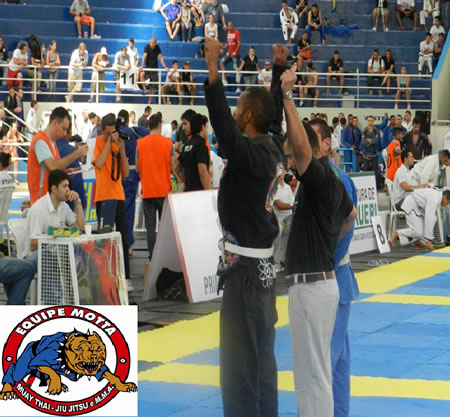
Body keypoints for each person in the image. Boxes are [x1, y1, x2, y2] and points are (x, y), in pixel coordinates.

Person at [202, 37, 283, 417]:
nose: (234, 113)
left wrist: (213, 71)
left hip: (247, 276)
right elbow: (273, 115)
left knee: (239, 369)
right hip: (262, 272)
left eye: (238, 109)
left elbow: (225, 130)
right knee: (262, 362)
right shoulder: (272, 146)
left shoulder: (251, 155)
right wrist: (277, 73)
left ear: (249, 117)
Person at [280, 47, 356, 417]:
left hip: (318, 282)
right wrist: (328, 246)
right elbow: (350, 214)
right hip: (315, 280)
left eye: (293, 156)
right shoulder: (327, 182)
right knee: (314, 374)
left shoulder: (323, 177)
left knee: (317, 376)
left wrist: (288, 95)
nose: (290, 162)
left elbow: (301, 148)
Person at [92, 113, 131, 288]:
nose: (112, 136)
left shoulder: (117, 144)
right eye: (108, 133)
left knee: (123, 240)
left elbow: (126, 172)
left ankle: (126, 278)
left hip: (118, 196)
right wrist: (109, 143)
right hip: (104, 197)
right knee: (104, 241)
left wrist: (121, 150)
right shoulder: (97, 143)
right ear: (102, 130)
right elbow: (99, 164)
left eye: (113, 133)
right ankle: (104, 280)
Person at [24, 169, 86, 270]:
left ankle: (76, 280)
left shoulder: (63, 206)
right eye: (64, 186)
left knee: (82, 252)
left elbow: (81, 229)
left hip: (54, 254)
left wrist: (78, 202)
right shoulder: (39, 209)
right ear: (54, 189)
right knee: (49, 256)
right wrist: (58, 233)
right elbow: (33, 244)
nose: (68, 190)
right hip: (32, 256)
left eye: (68, 186)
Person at [27, 107, 88, 205]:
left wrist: (65, 172)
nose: (65, 134)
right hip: (42, 201)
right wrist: (76, 154)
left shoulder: (52, 143)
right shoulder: (40, 141)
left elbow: (52, 170)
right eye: (64, 129)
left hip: (50, 200)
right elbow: (53, 166)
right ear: (55, 123)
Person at [136, 114, 175, 261]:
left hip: (148, 191)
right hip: (164, 190)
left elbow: (138, 168)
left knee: (150, 227)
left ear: (149, 126)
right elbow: (172, 167)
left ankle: (152, 258)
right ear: (159, 125)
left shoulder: (140, 143)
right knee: (164, 227)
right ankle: (164, 257)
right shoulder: (168, 143)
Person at [56, 119, 87, 210]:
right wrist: (81, 202)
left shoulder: (47, 149)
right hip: (68, 204)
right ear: (68, 132)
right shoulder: (71, 152)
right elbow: (76, 183)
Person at [175, 113, 211, 191]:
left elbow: (177, 169)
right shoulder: (201, 145)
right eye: (206, 127)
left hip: (188, 190)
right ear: (203, 127)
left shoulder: (186, 146)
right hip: (199, 192)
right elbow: (202, 172)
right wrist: (209, 192)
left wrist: (188, 181)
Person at [139, 38, 168, 102]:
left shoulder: (157, 48)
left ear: (155, 43)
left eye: (152, 43)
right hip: (147, 67)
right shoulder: (147, 47)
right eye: (150, 42)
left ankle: (150, 102)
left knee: (152, 86)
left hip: (154, 69)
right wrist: (142, 65)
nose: (151, 44)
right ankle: (144, 89)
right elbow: (144, 56)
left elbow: (161, 57)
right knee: (141, 74)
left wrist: (164, 66)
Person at [361, 115, 381, 188]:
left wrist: (369, 140)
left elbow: (376, 140)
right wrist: (370, 142)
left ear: (374, 121)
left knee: (375, 171)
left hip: (374, 153)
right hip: (366, 153)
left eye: (372, 121)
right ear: (367, 121)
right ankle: (365, 186)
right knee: (365, 170)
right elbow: (363, 142)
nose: (370, 122)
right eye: (369, 121)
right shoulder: (364, 130)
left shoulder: (376, 131)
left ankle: (374, 186)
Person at [220, 21, 241, 86]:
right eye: (228, 26)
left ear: (233, 26)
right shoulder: (228, 33)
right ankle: (224, 79)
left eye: (230, 26)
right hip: (229, 53)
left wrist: (235, 52)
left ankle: (238, 87)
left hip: (235, 54)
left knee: (236, 69)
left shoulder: (237, 33)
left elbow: (239, 44)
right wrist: (222, 47)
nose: (229, 27)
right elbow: (228, 44)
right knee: (221, 63)